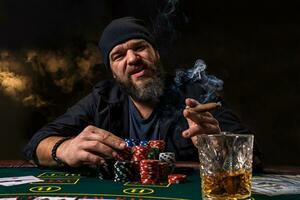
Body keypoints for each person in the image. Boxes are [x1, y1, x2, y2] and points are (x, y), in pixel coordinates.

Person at [24, 17, 262, 170]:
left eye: (139, 47)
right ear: (113, 72)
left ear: (155, 54)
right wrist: (63, 149)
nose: (133, 59)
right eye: (118, 55)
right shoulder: (103, 99)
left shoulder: (195, 93)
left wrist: (218, 143)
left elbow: (254, 159)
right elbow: (37, 143)